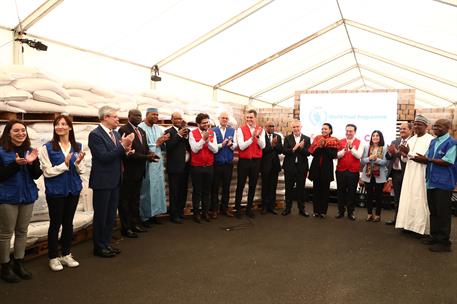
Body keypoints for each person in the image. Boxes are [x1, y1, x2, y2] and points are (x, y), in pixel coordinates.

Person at [39, 115, 85, 271]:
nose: (60, 126)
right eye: (57, 124)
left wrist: (77, 163)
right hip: (56, 191)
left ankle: (66, 253)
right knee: (55, 223)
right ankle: (53, 257)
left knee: (68, 223)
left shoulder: (78, 146)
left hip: (73, 189)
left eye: (63, 124)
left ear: (70, 128)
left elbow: (82, 170)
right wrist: (64, 165)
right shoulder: (47, 147)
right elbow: (47, 172)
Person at [89, 106, 134, 258]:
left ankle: (107, 243)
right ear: (105, 117)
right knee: (101, 215)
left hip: (115, 180)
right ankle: (99, 247)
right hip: (102, 181)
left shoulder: (115, 133)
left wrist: (126, 151)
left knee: (110, 215)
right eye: (115, 117)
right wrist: (122, 146)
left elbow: (116, 155)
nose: (117, 119)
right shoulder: (95, 135)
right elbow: (103, 157)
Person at [0, 120, 41, 283]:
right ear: (8, 133)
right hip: (7, 197)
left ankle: (19, 263)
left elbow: (36, 175)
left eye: (23, 130)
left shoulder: (30, 151)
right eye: (16, 130)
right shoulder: (1, 152)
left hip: (27, 196)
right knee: (5, 233)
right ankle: (5, 266)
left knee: (22, 231)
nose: (20, 133)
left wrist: (31, 163)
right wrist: (16, 165)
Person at [414, 119, 456, 252]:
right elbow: (429, 159)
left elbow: (447, 161)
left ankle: (444, 243)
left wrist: (427, 160)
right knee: (434, 211)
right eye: (435, 126)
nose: (435, 128)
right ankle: (435, 236)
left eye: (439, 126)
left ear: (448, 128)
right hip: (431, 182)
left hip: (444, 183)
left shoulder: (452, 143)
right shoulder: (433, 141)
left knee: (443, 213)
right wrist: (421, 158)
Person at [118, 109, 158, 237]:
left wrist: (150, 155)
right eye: (136, 115)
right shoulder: (124, 129)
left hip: (140, 171)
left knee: (135, 200)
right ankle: (126, 228)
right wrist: (146, 157)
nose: (139, 117)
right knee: (125, 201)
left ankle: (135, 224)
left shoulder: (141, 131)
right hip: (128, 172)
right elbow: (128, 153)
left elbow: (144, 149)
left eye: (140, 115)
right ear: (129, 116)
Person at [396, 115, 434, 235]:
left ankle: (420, 229)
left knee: (420, 199)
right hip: (409, 173)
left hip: (421, 173)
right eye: (415, 124)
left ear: (426, 126)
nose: (416, 126)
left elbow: (424, 159)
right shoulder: (411, 140)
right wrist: (403, 154)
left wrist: (408, 153)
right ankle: (408, 226)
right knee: (408, 197)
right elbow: (406, 160)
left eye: (419, 124)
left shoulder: (430, 140)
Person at [138, 108, 170, 226]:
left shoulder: (158, 128)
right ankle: (144, 217)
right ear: (147, 115)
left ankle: (155, 214)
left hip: (158, 163)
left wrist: (164, 141)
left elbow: (162, 145)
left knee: (157, 189)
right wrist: (156, 143)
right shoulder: (140, 128)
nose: (156, 116)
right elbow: (141, 146)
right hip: (146, 163)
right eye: (153, 114)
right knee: (146, 190)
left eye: (157, 114)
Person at [234, 109, 266, 219]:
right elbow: (241, 146)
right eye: (247, 117)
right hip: (244, 161)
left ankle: (249, 209)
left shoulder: (261, 130)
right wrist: (251, 139)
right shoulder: (240, 130)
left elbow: (263, 146)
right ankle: (237, 209)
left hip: (256, 162)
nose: (249, 119)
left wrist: (257, 137)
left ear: (255, 118)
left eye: (251, 117)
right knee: (240, 185)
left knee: (252, 185)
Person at [189, 113, 218, 223]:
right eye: (204, 123)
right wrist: (202, 139)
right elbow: (195, 149)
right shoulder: (192, 133)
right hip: (197, 167)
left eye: (207, 122)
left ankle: (205, 212)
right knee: (197, 191)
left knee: (207, 191)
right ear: (198, 124)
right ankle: (196, 214)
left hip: (209, 166)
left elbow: (215, 150)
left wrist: (207, 142)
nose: (206, 124)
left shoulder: (212, 133)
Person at [164, 112, 190, 224]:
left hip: (185, 166)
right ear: (172, 119)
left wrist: (185, 134)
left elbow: (189, 146)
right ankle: (174, 214)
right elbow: (168, 147)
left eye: (180, 119)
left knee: (183, 191)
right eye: (176, 119)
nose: (179, 120)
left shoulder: (185, 131)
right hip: (174, 167)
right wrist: (178, 135)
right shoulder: (168, 132)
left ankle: (180, 211)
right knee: (174, 191)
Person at [308, 123, 339, 218]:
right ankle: (316, 211)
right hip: (316, 168)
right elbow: (312, 153)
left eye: (325, 129)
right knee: (316, 191)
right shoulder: (317, 139)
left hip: (326, 169)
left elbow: (333, 155)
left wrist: (325, 146)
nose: (323, 130)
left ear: (330, 130)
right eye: (322, 129)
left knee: (325, 192)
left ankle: (323, 212)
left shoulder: (334, 141)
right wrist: (320, 146)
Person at [385, 122, 412, 225]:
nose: (402, 131)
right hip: (396, 174)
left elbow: (409, 156)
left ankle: (406, 222)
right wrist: (390, 152)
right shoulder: (395, 141)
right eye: (400, 129)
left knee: (407, 198)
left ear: (410, 130)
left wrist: (397, 152)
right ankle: (397, 220)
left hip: (408, 174)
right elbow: (388, 158)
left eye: (404, 129)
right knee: (397, 198)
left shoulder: (413, 142)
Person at [210, 112, 237, 218]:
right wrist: (222, 145)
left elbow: (236, 145)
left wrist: (231, 145)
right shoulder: (213, 131)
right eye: (223, 118)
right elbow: (212, 146)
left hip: (228, 163)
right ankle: (214, 210)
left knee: (226, 187)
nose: (224, 120)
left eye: (226, 118)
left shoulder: (232, 131)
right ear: (219, 119)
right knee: (215, 187)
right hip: (217, 163)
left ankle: (225, 209)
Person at [282, 120, 310, 216]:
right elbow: (284, 151)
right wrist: (294, 149)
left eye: (297, 126)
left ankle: (302, 209)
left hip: (302, 168)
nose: (296, 129)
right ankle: (287, 208)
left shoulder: (307, 138)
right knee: (288, 188)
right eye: (294, 127)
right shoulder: (287, 138)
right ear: (292, 128)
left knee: (301, 189)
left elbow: (308, 153)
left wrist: (301, 148)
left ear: (301, 127)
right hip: (289, 167)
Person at [335, 124, 363, 220]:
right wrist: (344, 150)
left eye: (350, 131)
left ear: (354, 132)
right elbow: (336, 155)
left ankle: (351, 212)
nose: (348, 133)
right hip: (341, 171)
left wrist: (351, 148)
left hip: (353, 172)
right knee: (340, 192)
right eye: (347, 131)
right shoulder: (340, 141)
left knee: (352, 193)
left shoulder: (360, 142)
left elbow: (359, 156)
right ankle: (340, 211)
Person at [360, 130, 388, 222]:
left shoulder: (384, 148)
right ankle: (369, 214)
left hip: (379, 175)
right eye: (373, 136)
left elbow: (385, 163)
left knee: (378, 196)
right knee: (369, 196)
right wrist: (369, 158)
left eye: (377, 136)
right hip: (368, 175)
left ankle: (377, 215)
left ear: (380, 138)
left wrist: (376, 160)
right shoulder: (367, 147)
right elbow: (363, 161)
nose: (375, 137)